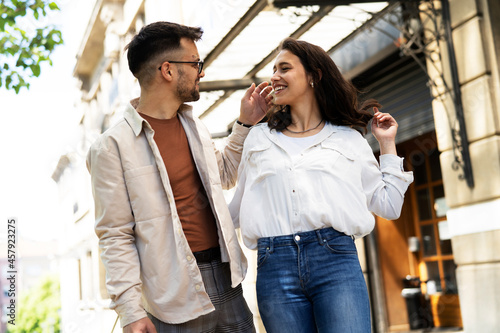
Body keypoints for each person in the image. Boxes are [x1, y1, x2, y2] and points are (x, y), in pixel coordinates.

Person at [87, 21, 272, 333]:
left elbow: (224, 175)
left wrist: (244, 124)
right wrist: (131, 312)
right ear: (168, 70)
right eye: (196, 63)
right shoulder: (111, 147)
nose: (202, 72)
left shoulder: (194, 125)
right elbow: (115, 235)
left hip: (227, 277)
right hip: (171, 295)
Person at [229, 37, 414, 333]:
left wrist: (387, 144)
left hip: (335, 261)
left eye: (284, 68)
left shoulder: (348, 139)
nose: (274, 76)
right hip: (274, 266)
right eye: (273, 69)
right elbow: (237, 209)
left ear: (313, 76)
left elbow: (389, 206)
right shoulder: (258, 137)